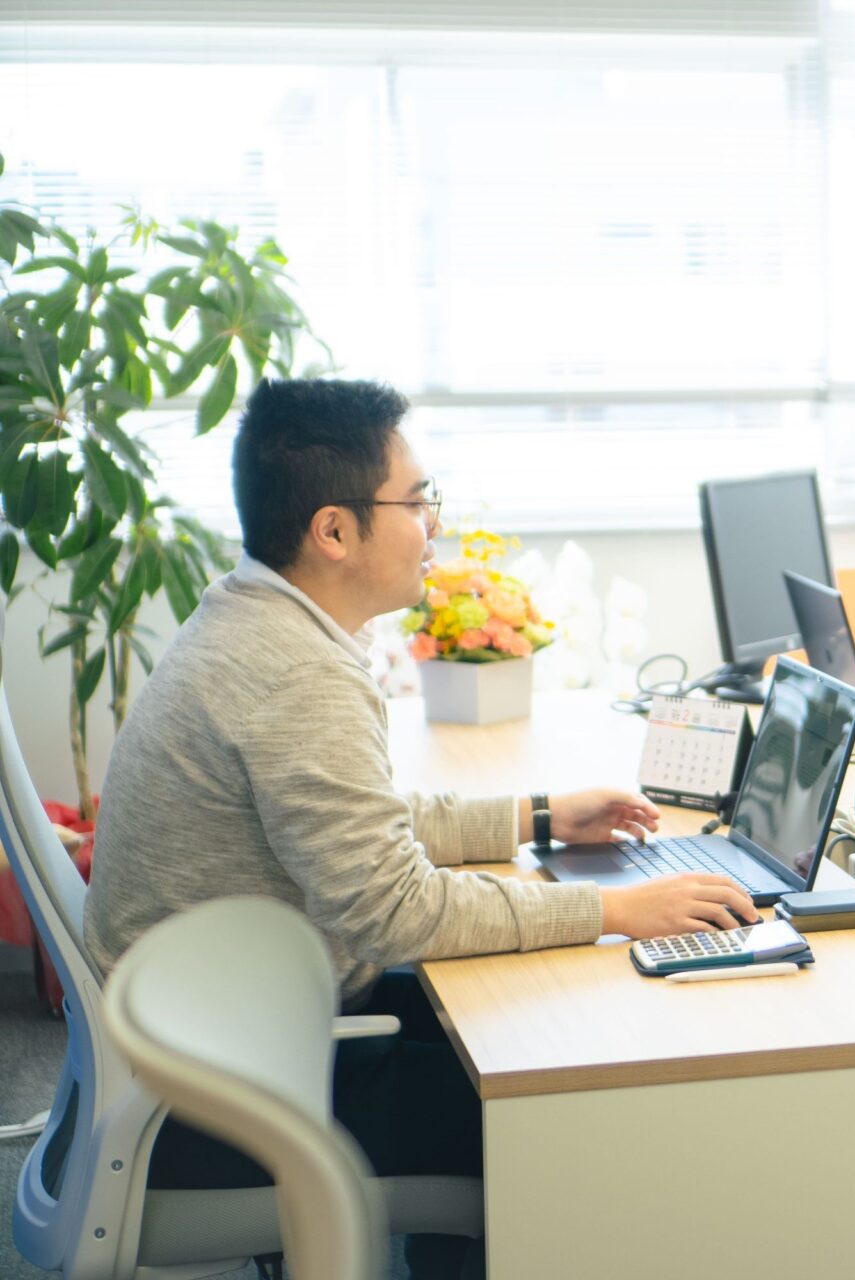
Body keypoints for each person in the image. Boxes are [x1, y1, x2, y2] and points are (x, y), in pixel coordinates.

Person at [84, 378, 760, 1276]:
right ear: (334, 531)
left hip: (214, 1044)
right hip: (227, 1106)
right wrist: (617, 912)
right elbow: (395, 911)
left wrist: (541, 817)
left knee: (519, 1020)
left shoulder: (258, 623)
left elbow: (366, 827)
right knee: (568, 1120)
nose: (433, 521)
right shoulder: (294, 675)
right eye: (416, 499)